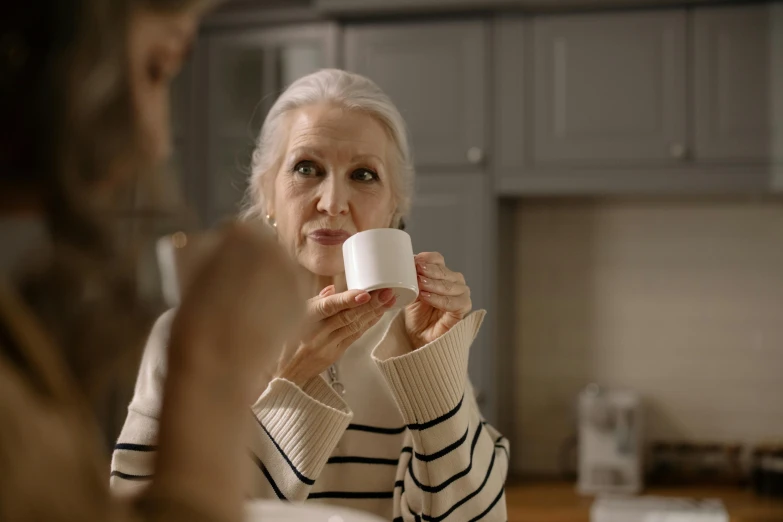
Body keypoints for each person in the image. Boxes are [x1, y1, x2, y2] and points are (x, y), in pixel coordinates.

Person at [112, 68, 510, 521]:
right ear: (267, 194)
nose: (332, 201)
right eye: (307, 168)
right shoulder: (188, 339)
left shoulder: (417, 345)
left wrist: (433, 373)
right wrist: (295, 381)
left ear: (394, 207)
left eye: (363, 174)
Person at [0, 1, 306, 522]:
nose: (157, 141)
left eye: (365, 175)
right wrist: (216, 365)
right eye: (156, 69)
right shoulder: (178, 336)